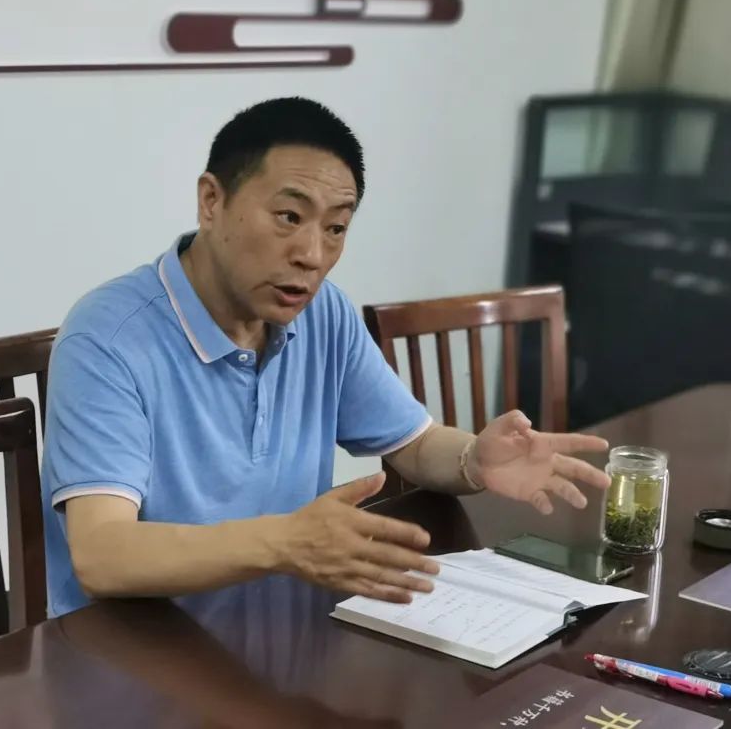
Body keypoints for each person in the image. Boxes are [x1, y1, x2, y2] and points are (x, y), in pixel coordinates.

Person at [42, 96, 610, 617]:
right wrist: (285, 541)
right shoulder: (108, 338)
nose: (313, 255)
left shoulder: (322, 313)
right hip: (137, 652)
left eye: (336, 227)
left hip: (283, 628)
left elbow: (413, 445)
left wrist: (473, 460)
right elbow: (102, 554)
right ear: (211, 201)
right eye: (289, 217)